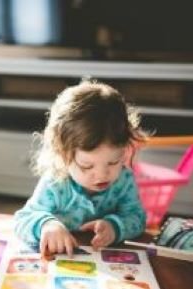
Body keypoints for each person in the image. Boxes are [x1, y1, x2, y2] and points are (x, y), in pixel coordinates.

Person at [14, 80, 147, 257]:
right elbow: (23, 219)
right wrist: (47, 225)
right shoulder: (56, 181)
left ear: (125, 149)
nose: (102, 175)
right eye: (87, 165)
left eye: (114, 162)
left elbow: (137, 218)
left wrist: (115, 227)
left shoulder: (124, 179)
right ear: (62, 155)